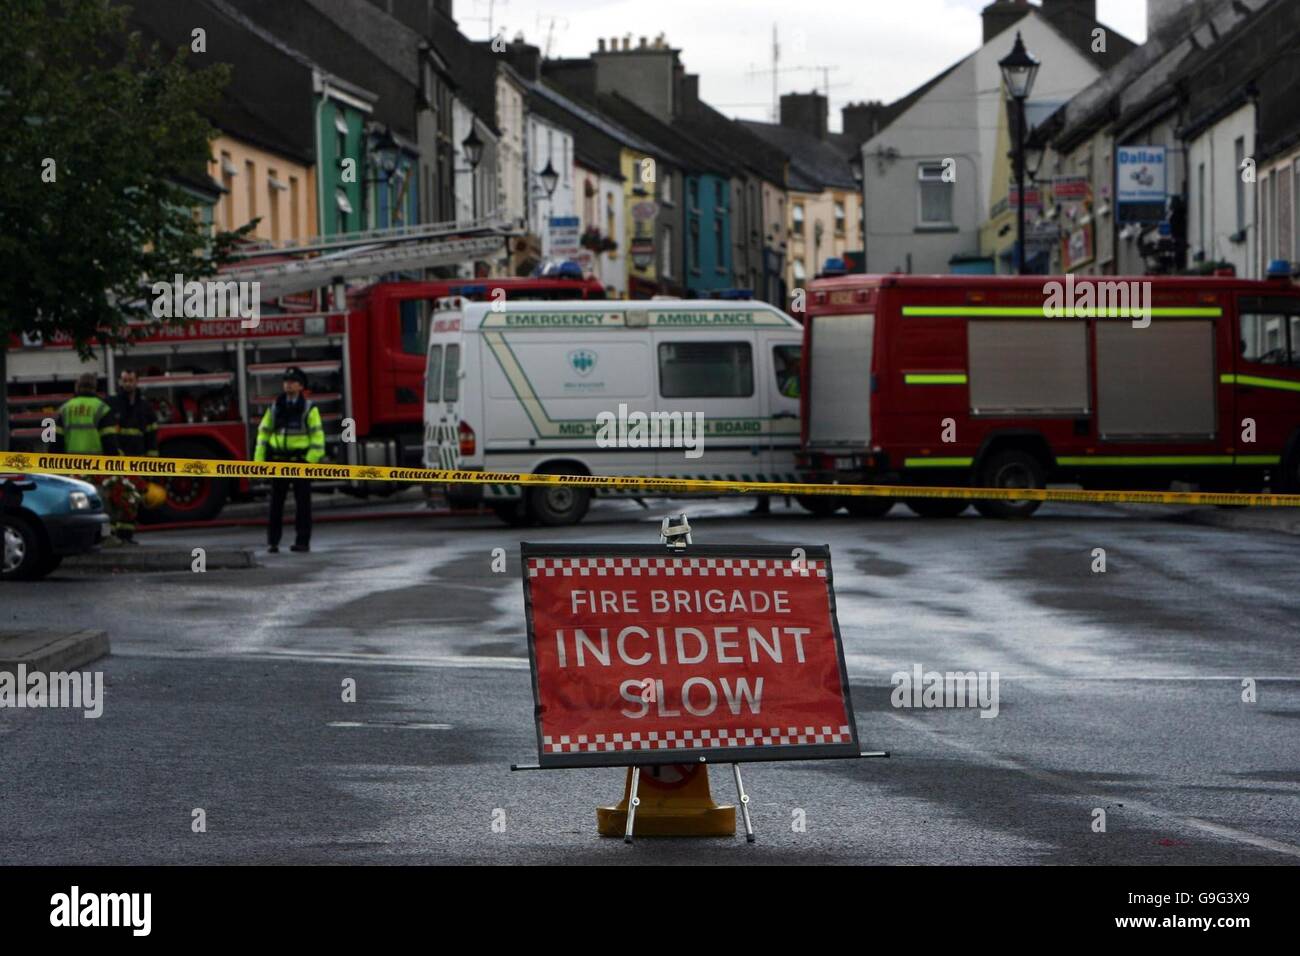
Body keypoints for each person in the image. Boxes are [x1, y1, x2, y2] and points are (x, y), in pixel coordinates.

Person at [255, 367, 325, 553]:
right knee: (275, 504)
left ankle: (302, 542)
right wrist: (259, 463)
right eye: (286, 381)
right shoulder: (276, 406)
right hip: (279, 461)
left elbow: (318, 439)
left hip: (300, 461)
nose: (288, 384)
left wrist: (309, 463)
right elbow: (263, 433)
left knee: (303, 504)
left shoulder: (309, 409)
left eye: (293, 381)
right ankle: (273, 542)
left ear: (301, 386)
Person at [101, 368, 160, 544]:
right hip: (117, 460)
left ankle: (126, 536)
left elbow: (151, 438)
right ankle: (111, 536)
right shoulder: (111, 404)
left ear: (137, 382)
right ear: (120, 382)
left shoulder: (145, 407)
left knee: (133, 498)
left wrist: (152, 465)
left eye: (131, 380)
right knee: (114, 497)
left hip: (138, 460)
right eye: (125, 380)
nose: (128, 384)